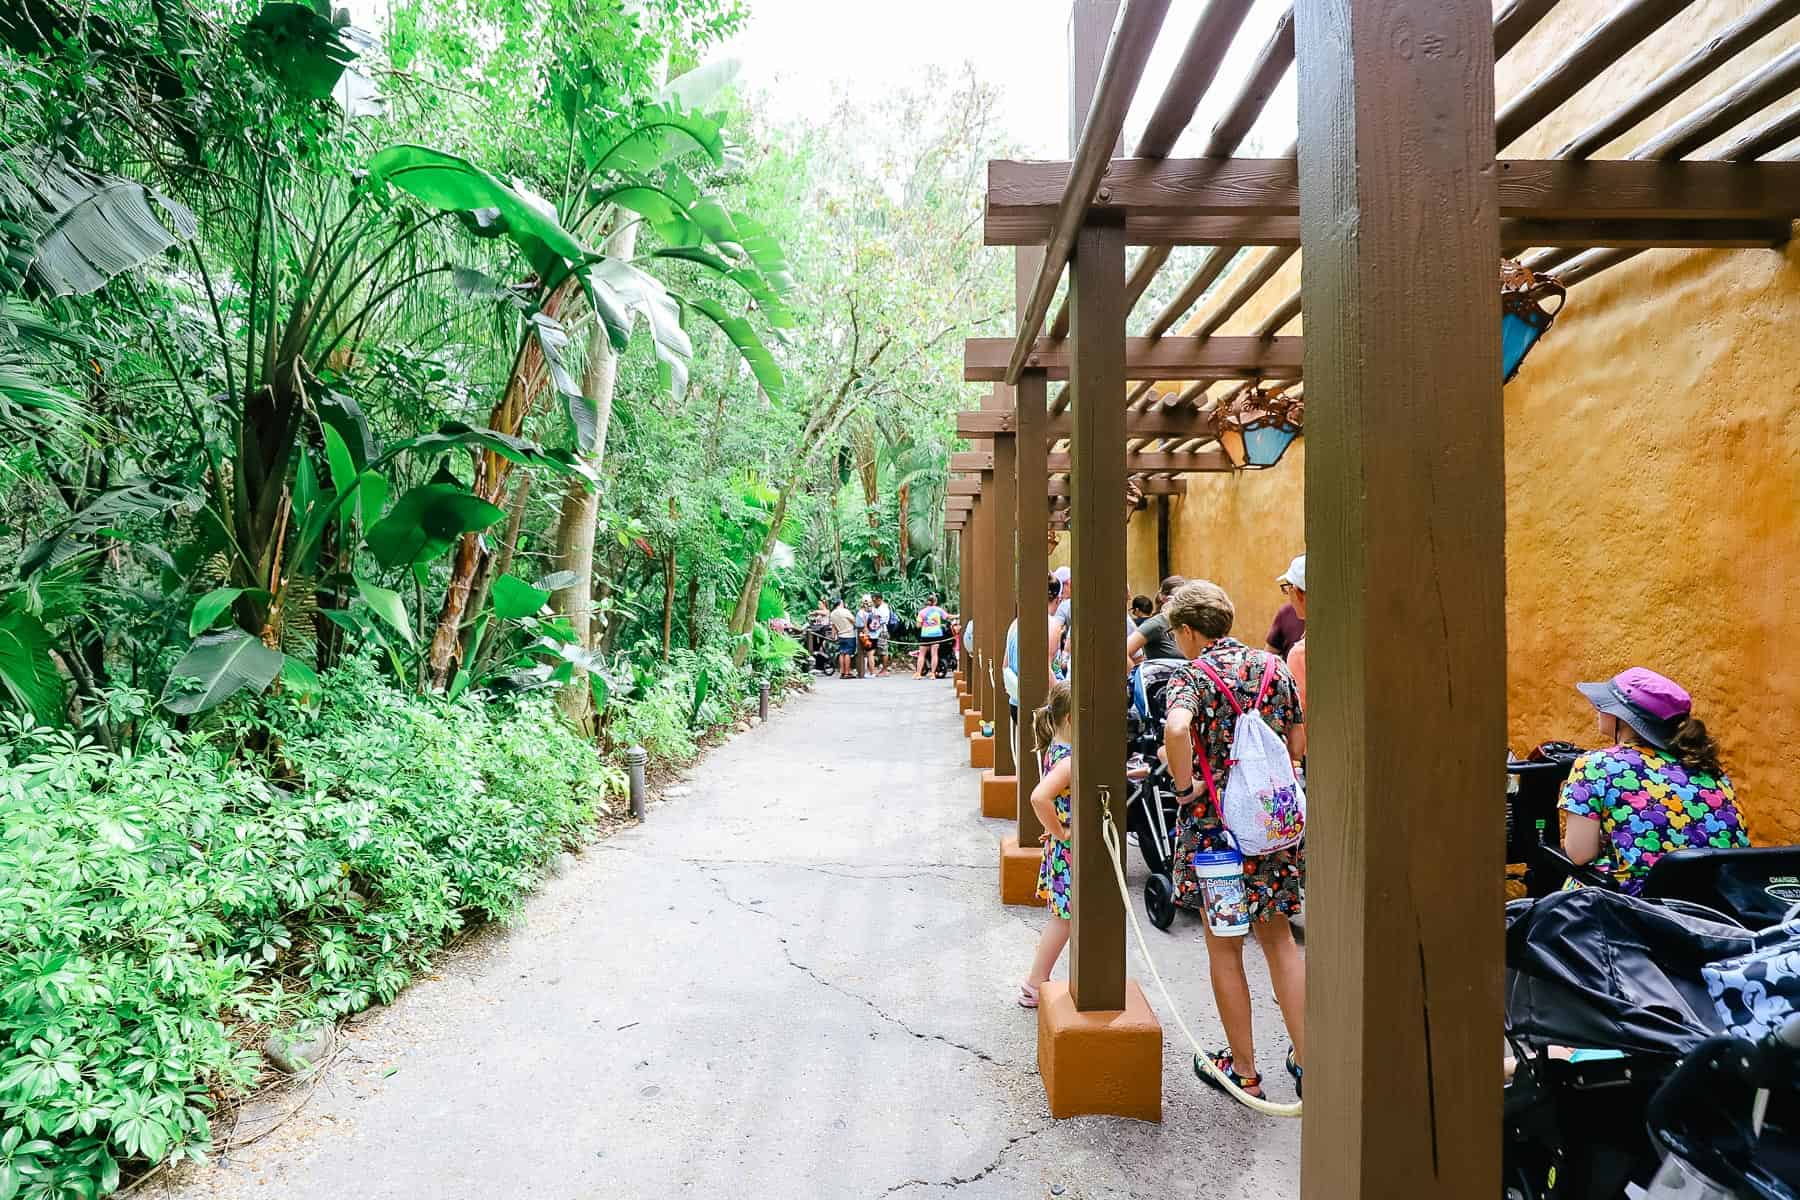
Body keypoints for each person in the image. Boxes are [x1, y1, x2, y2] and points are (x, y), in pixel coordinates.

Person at [1161, 580, 1307, 1100]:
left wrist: (1185, 786)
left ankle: (1243, 1070)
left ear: (1186, 631)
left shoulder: (1192, 678)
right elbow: (1297, 742)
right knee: (1280, 941)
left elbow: (1177, 730)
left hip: (1216, 837)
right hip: (1269, 831)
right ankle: (1311, 1061)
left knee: (1225, 948)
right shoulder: (1275, 669)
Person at [1558, 668, 1749, 895]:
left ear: (1622, 718)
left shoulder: (1595, 765)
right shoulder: (1709, 770)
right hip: (1713, 905)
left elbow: (1579, 854)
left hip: (1636, 908)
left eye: (1604, 705)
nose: (1598, 710)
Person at [1019, 680, 1074, 1009]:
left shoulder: (1056, 746)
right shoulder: (1069, 760)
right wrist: (1061, 831)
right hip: (1067, 846)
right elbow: (1039, 797)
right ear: (1072, 719)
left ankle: (1037, 981)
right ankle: (1035, 982)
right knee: (1064, 919)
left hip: (1060, 845)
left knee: (1064, 917)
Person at [1125, 575, 1190, 664]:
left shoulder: (1188, 623)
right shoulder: (1156, 624)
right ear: (1168, 599)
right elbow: (1125, 651)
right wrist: (1136, 677)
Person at [1266, 557, 1307, 658]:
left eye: (1288, 587)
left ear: (1296, 591)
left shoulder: (1296, 655)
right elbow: (1269, 656)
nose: (1287, 593)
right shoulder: (1286, 613)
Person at [914, 595, 949, 678]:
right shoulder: (938, 610)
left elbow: (918, 625)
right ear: (935, 602)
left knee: (922, 654)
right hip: (936, 634)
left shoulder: (922, 612)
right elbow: (947, 616)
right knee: (934, 654)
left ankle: (918, 673)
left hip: (925, 634)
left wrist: (925, 623)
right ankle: (933, 673)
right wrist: (957, 616)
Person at [828, 597, 857, 680]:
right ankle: (847, 673)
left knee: (842, 653)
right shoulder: (845, 611)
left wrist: (833, 636)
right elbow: (854, 621)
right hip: (849, 634)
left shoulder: (832, 613)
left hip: (840, 635)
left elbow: (833, 626)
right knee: (848, 653)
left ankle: (842, 672)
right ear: (840, 603)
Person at [871, 593, 893, 674]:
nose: (873, 602)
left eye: (874, 600)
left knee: (883, 650)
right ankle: (877, 669)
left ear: (879, 599)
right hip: (874, 631)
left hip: (882, 631)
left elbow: (882, 620)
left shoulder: (884, 608)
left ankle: (884, 669)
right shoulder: (875, 607)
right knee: (875, 650)